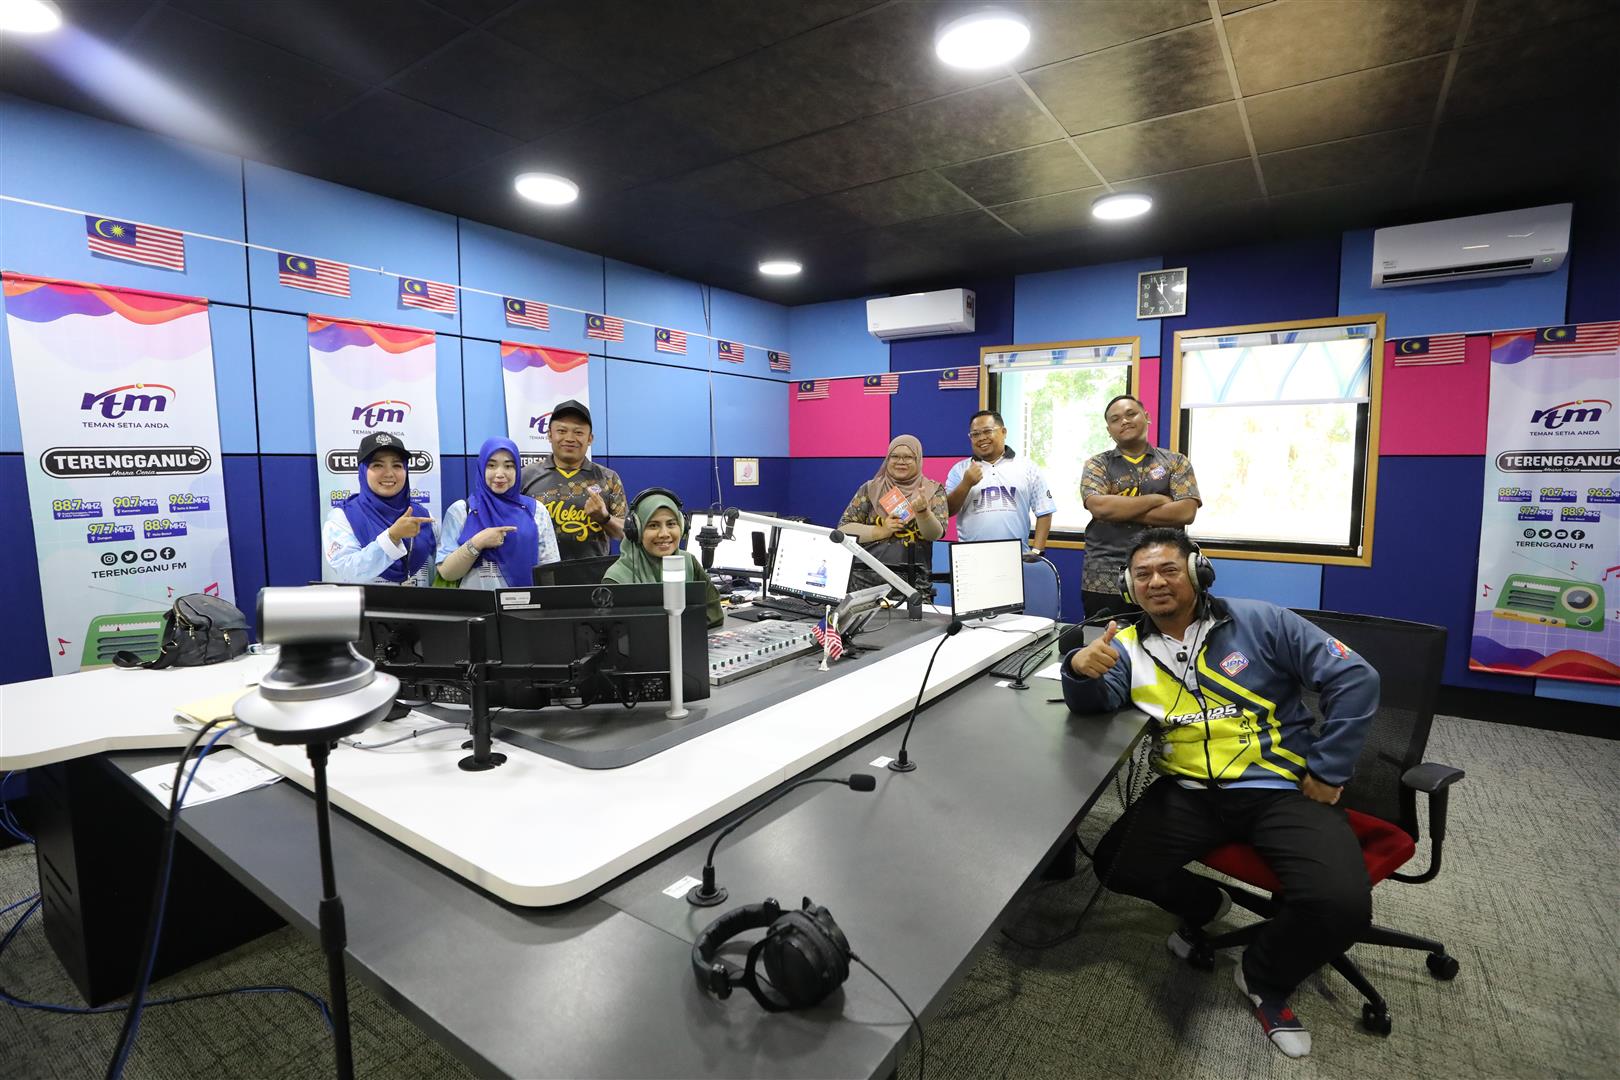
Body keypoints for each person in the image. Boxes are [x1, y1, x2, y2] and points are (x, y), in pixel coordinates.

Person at [1062, 528, 1378, 1059]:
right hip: (1188, 790)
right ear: (1128, 586)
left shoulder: (1262, 621)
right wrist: (1079, 670)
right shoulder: (1126, 646)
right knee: (1115, 865)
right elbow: (1097, 703)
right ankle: (1206, 904)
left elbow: (1357, 678)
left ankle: (1262, 974)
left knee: (1341, 905)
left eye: (1169, 569)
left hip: (1278, 786)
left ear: (1197, 571)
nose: (1156, 582)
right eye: (1143, 574)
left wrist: (1328, 770)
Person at [1080, 394, 1200, 620]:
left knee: (1167, 636)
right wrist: (1158, 499)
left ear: (1147, 417)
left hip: (1165, 576)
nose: (1124, 421)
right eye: (1115, 419)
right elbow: (1100, 507)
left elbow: (1186, 511)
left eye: (1130, 414)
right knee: (1107, 638)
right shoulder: (1097, 464)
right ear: (1109, 430)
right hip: (1105, 576)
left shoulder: (1176, 462)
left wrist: (1120, 510)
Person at [436, 437, 561, 589]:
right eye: (491, 465)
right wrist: (478, 542)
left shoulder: (536, 511)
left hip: (524, 602)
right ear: (481, 468)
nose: (500, 474)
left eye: (508, 466)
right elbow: (447, 573)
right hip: (474, 603)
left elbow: (549, 570)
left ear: (517, 469)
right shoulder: (461, 511)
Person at [518, 399, 628, 561]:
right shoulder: (525, 477)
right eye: (562, 431)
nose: (569, 438)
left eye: (578, 432)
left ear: (590, 439)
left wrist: (605, 518)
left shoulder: (608, 478)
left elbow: (625, 533)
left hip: (594, 573)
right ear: (549, 435)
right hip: (541, 573)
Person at [323, 432, 436, 585]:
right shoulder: (343, 517)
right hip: (365, 601)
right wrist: (392, 537)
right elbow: (347, 571)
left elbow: (437, 573)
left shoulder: (423, 516)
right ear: (363, 470)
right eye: (377, 465)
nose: (389, 473)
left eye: (397, 465)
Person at [838, 434, 947, 591]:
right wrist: (881, 531)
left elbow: (935, 534)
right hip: (864, 583)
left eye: (908, 457)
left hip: (912, 585)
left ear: (918, 459)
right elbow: (843, 529)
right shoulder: (870, 488)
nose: (900, 461)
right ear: (887, 459)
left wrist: (923, 512)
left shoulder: (932, 490)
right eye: (894, 456)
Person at [945, 409, 1055, 561]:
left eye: (987, 431)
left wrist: (1037, 551)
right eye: (975, 434)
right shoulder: (960, 470)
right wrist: (966, 483)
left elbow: (1045, 510)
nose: (981, 438)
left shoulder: (1027, 467)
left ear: (1003, 432)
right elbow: (947, 510)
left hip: (1015, 557)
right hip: (971, 558)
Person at [604, 491, 723, 628]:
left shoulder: (688, 562)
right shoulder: (616, 578)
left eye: (671, 524)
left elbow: (714, 615)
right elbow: (616, 633)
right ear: (636, 531)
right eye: (653, 525)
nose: (664, 534)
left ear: (682, 527)